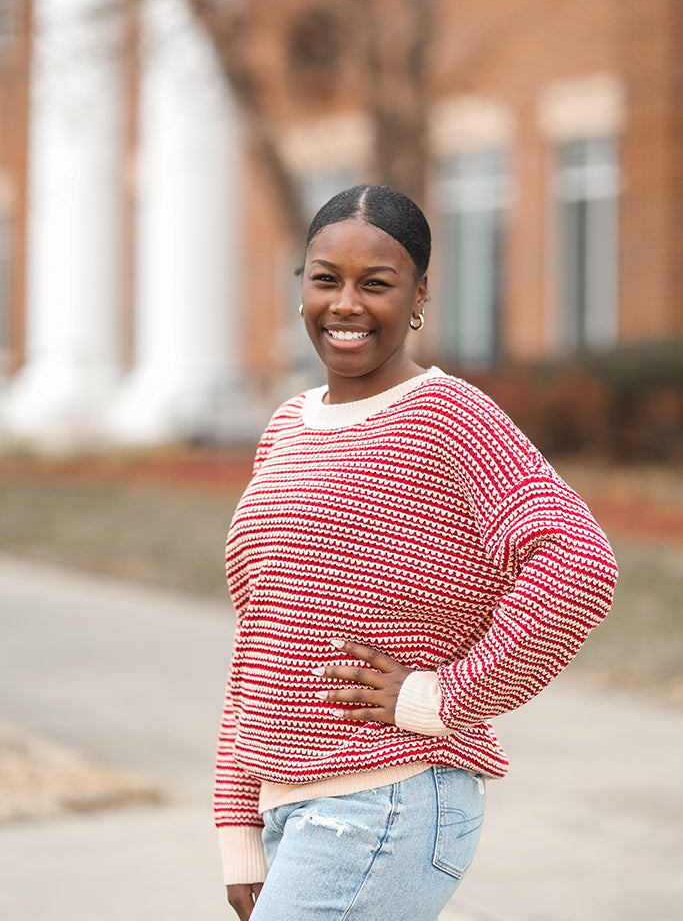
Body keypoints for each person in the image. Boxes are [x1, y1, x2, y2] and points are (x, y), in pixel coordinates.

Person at [214, 184, 617, 921]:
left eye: (376, 283)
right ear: (299, 283)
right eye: (325, 278)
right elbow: (259, 640)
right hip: (291, 810)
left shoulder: (449, 415)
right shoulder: (286, 427)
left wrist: (438, 697)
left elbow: (578, 564)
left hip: (384, 799)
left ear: (419, 294)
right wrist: (238, 824)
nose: (345, 304)